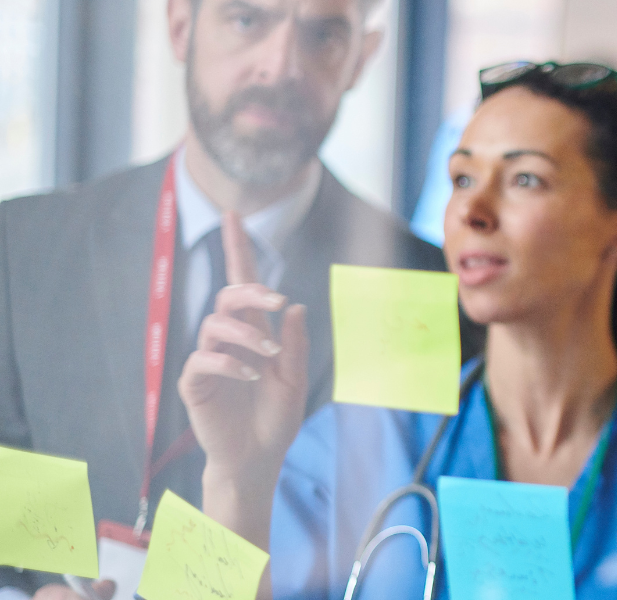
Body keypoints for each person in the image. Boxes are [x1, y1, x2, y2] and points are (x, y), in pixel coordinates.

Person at [178, 61, 617, 600]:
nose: (471, 210)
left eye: (524, 179)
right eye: (462, 176)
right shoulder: (374, 434)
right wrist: (235, 477)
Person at [0, 0, 442, 597]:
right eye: (246, 20)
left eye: (322, 35)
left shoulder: (417, 286)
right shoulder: (23, 247)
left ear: (362, 59)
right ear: (180, 27)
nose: (281, 64)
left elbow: (405, 556)